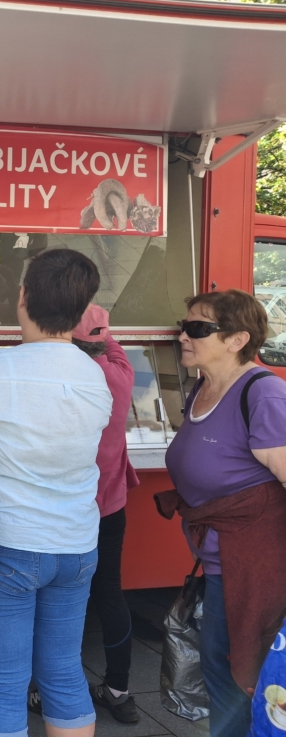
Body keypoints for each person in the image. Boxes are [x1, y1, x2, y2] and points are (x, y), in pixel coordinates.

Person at [0, 249, 113, 737]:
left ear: (23, 297)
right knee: (64, 671)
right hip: (77, 546)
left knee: (1, 685)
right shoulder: (94, 374)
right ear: (83, 309)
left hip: (5, 544)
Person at [160, 289, 286, 737]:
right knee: (221, 666)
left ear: (237, 339)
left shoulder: (263, 393)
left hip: (252, 563)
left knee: (235, 674)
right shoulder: (204, 386)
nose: (183, 335)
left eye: (198, 328)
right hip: (221, 558)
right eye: (185, 325)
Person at [35, 304, 142, 723]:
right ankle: (118, 688)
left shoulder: (59, 378)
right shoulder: (121, 373)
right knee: (109, 594)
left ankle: (43, 688)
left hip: (63, 507)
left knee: (50, 597)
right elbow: (110, 344)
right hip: (109, 506)